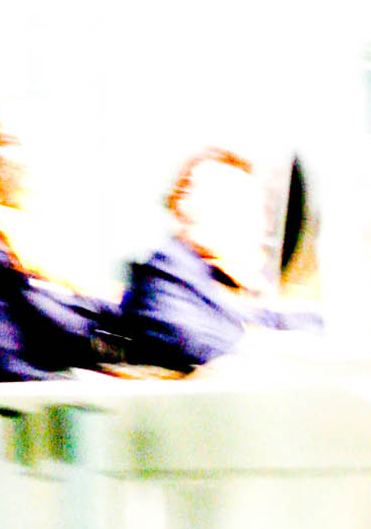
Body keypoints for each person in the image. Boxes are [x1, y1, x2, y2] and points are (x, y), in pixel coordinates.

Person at [118, 148, 309, 371]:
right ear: (184, 210)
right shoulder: (165, 277)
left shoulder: (219, 287)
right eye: (234, 207)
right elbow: (203, 347)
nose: (261, 227)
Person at [0, 111, 111, 379]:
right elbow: (7, 366)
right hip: (39, 397)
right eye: (11, 143)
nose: (26, 157)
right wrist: (86, 383)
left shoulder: (60, 245)